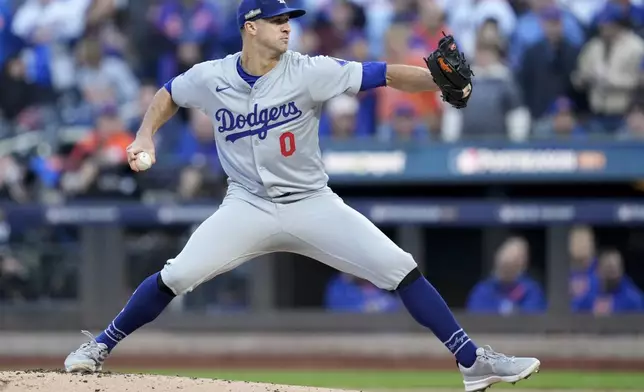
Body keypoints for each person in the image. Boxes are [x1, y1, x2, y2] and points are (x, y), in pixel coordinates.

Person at [63, 1, 540, 391]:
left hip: (311, 202)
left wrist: (438, 80)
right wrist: (145, 134)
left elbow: (386, 75)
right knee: (178, 274)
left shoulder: (310, 70)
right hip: (246, 204)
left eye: (290, 19)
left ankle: (471, 361)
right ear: (250, 28)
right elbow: (169, 92)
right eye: (277, 20)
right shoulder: (211, 76)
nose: (287, 27)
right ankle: (100, 345)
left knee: (400, 267)